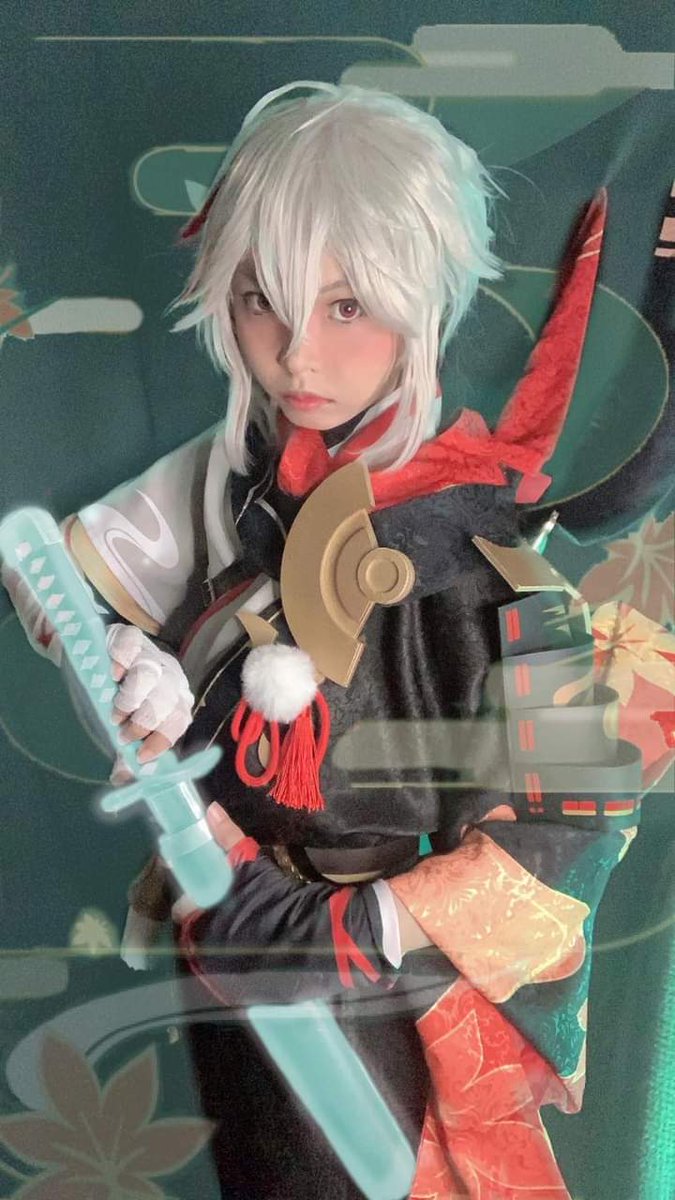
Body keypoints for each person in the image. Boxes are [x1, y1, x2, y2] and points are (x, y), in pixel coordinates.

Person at [3, 82, 647, 1200]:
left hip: (390, 980)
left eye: (347, 305)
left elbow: (565, 843)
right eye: (263, 299)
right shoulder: (235, 474)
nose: (297, 354)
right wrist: (129, 665)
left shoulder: (501, 567)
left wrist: (348, 931)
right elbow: (55, 577)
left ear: (423, 297)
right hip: (222, 915)